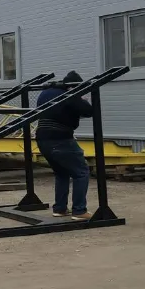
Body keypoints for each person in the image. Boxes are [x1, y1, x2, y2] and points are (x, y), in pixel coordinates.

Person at [35, 71, 94, 221]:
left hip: (42, 138)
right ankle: (79, 211)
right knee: (81, 172)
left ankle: (60, 209)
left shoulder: (46, 92)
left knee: (61, 173)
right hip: (60, 138)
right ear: (74, 86)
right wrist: (81, 98)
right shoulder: (70, 94)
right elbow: (89, 111)